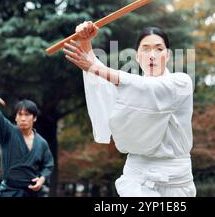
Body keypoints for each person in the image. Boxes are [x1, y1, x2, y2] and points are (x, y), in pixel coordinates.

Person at [63, 21, 195, 197]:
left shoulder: (181, 82)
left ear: (169, 55)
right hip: (137, 175)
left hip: (176, 180)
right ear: (138, 56)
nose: (152, 55)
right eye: (145, 49)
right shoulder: (129, 87)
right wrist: (86, 41)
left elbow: (147, 88)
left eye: (158, 49)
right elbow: (103, 80)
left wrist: (93, 67)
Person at [0, 80, 54, 197]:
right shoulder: (8, 132)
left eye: (27, 115)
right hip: (10, 192)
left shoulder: (42, 143)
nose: (23, 118)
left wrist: (41, 180)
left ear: (34, 118)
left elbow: (48, 165)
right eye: (20, 114)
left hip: (33, 193)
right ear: (16, 118)